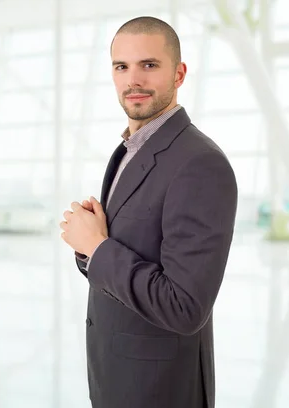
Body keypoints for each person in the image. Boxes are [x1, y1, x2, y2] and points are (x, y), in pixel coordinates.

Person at [60, 16, 238, 408]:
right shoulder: (129, 150)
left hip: (159, 389)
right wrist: (90, 246)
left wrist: (98, 247)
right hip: (119, 379)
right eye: (121, 66)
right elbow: (124, 252)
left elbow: (185, 307)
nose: (133, 80)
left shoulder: (200, 163)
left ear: (179, 74)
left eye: (149, 65)